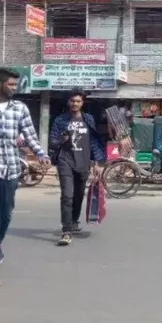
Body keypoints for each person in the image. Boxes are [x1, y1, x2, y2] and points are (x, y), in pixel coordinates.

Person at [0, 68, 49, 263]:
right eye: (11, 84)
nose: (14, 88)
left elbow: (30, 134)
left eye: (15, 84)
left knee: (5, 212)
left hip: (10, 168)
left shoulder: (19, 108)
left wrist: (41, 154)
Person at [50, 88, 105, 247]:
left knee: (79, 195)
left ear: (82, 103)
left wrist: (97, 162)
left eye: (78, 101)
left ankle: (74, 221)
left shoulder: (88, 119)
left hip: (83, 163)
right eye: (73, 101)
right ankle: (66, 231)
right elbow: (53, 141)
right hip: (65, 161)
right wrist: (61, 139)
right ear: (69, 102)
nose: (75, 103)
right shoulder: (60, 120)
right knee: (67, 195)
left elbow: (93, 142)